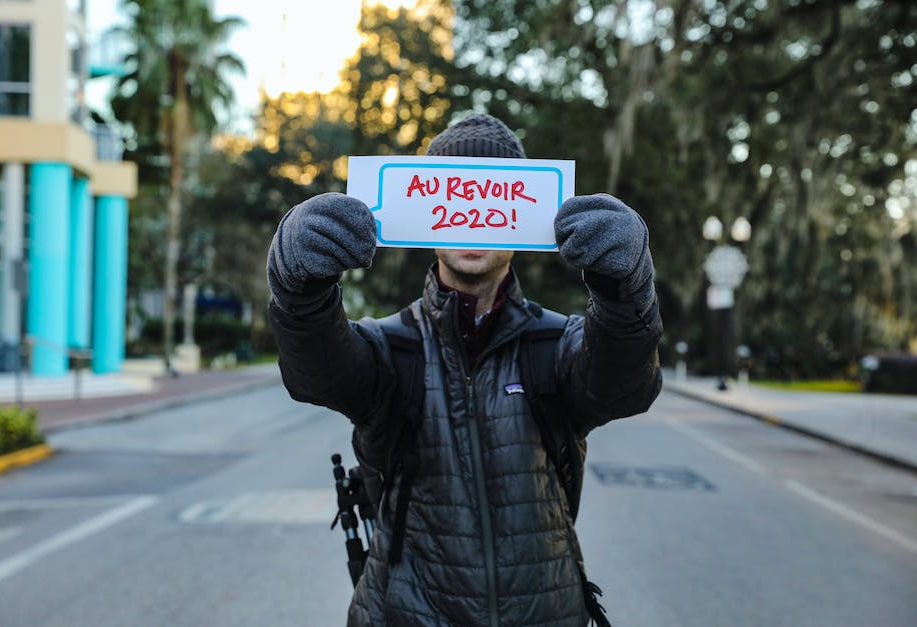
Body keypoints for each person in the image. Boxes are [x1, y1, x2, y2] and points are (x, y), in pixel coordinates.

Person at [267, 113, 663, 626]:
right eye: (455, 194)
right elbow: (315, 371)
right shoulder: (391, 346)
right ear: (426, 211)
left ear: (524, 217)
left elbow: (625, 386)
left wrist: (627, 291)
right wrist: (296, 287)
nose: (473, 215)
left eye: (492, 196)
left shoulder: (556, 344)